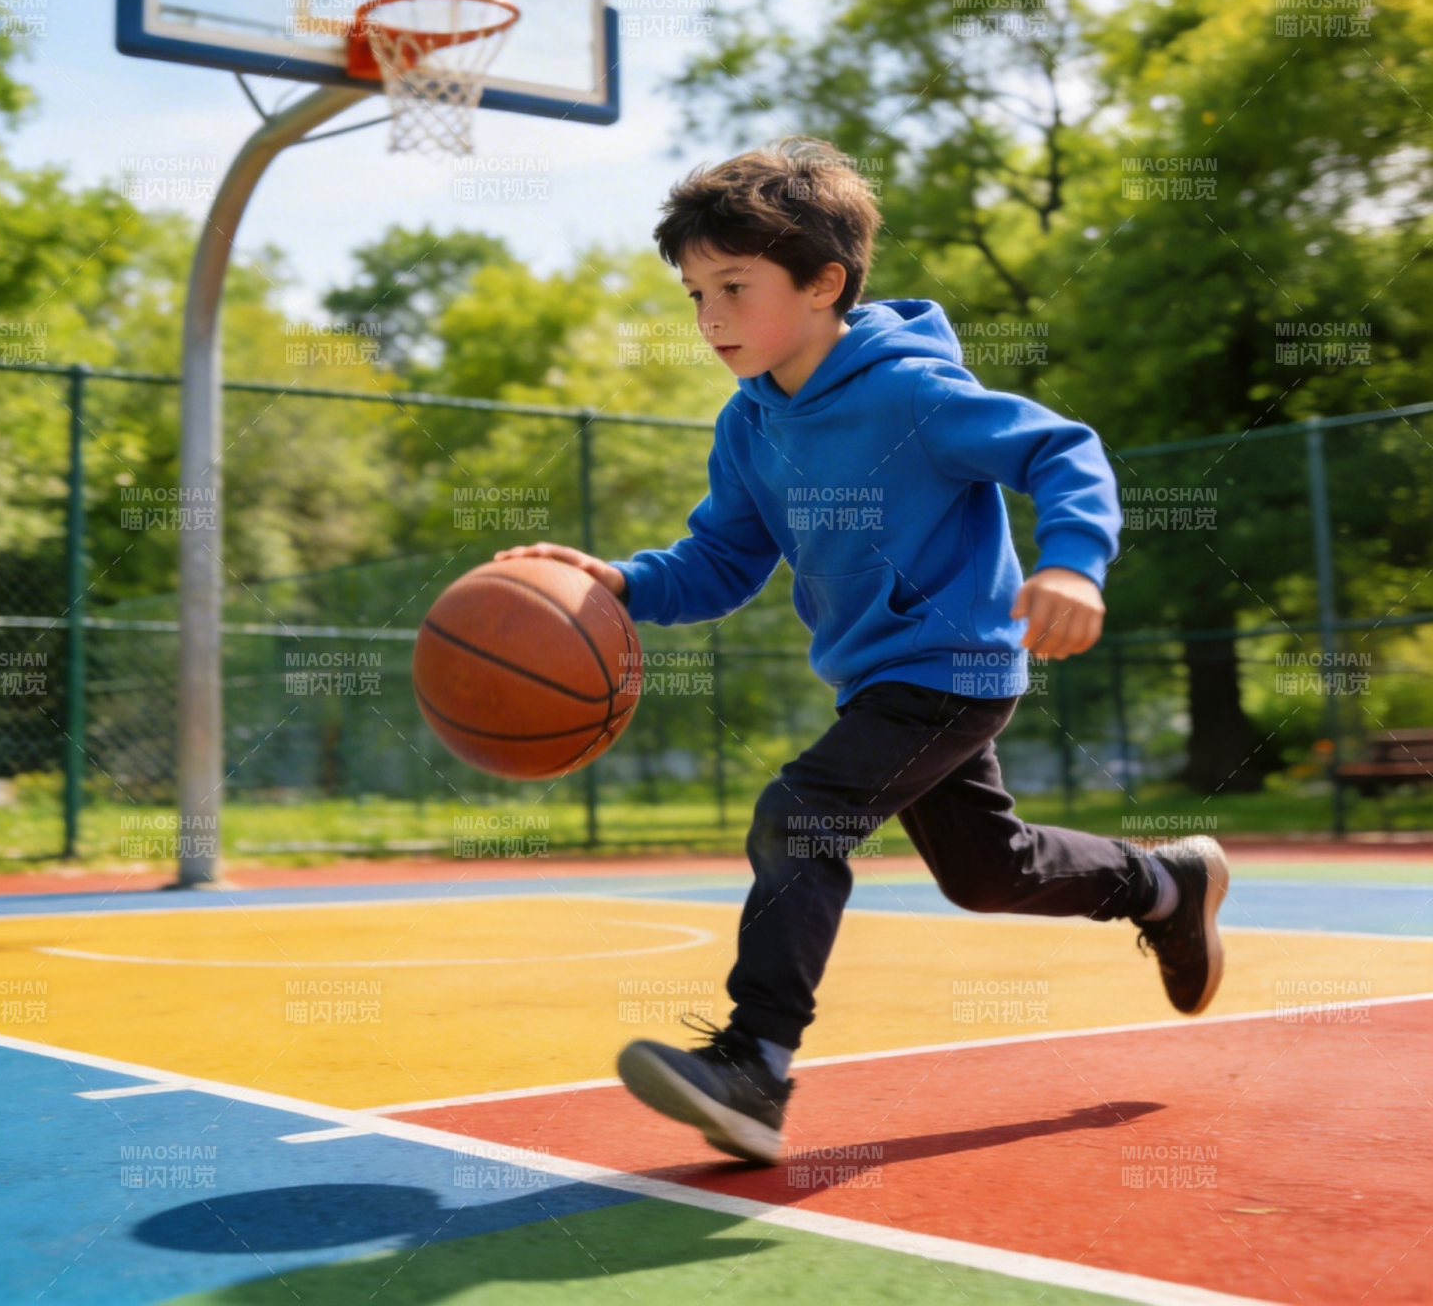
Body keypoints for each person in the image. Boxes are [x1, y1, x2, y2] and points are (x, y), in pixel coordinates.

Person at [494, 138, 1228, 1165]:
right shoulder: (748, 426)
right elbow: (719, 560)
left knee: (799, 817)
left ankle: (755, 1065)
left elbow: (1061, 449)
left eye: (734, 288)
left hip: (954, 667)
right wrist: (620, 582)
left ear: (823, 282)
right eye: (695, 291)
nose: (708, 318)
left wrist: (1071, 564)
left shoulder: (912, 395)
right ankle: (1162, 884)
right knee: (985, 872)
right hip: (880, 681)